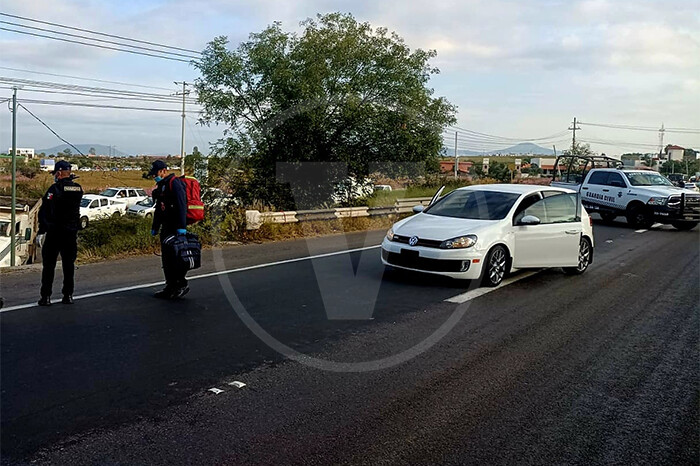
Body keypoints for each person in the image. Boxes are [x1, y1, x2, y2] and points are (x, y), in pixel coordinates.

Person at [37, 160, 83, 306]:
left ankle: (46, 297)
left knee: (49, 266)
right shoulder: (78, 188)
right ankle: (68, 295)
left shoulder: (54, 189)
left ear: (58, 173)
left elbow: (45, 210)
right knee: (68, 265)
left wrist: (42, 230)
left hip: (55, 232)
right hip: (70, 233)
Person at [148, 160, 190, 299]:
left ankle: (180, 284)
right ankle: (170, 286)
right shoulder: (162, 186)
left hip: (175, 227)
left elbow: (181, 205)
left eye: (156, 174)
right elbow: (159, 209)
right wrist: (155, 227)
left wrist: (182, 227)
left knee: (176, 257)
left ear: (163, 171)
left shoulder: (175, 183)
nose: (154, 176)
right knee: (167, 258)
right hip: (166, 228)